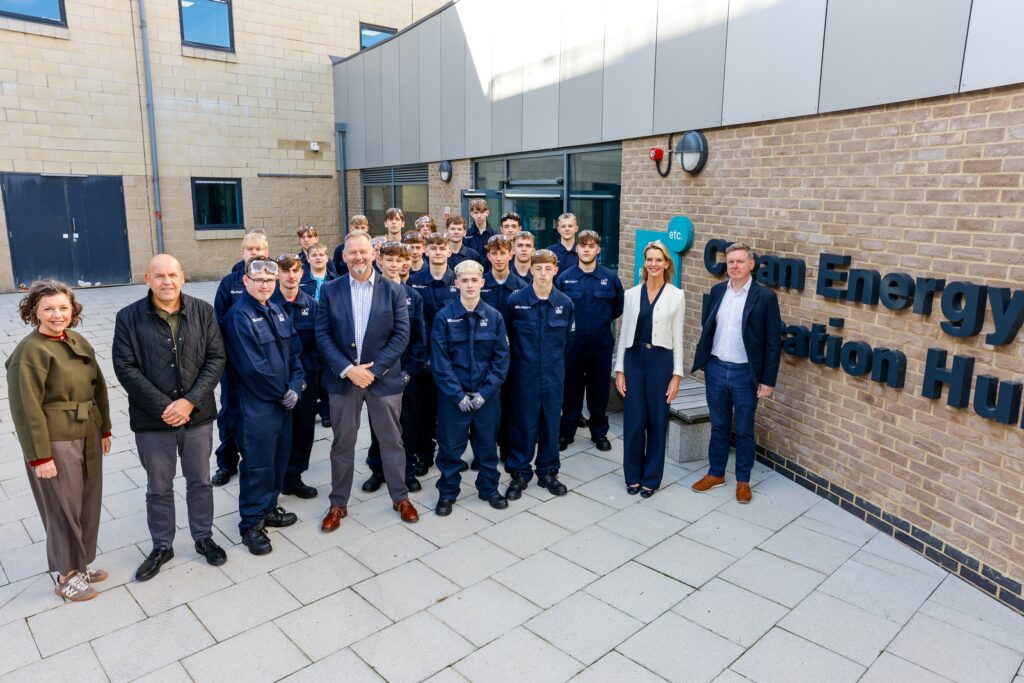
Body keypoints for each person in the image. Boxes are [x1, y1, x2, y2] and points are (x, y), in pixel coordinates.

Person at [113, 255, 228, 582]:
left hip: (198, 417)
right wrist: (166, 406)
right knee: (158, 486)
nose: (167, 281)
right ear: (147, 278)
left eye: (173, 275)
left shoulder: (203, 311)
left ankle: (203, 536)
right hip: (153, 421)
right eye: (159, 276)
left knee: (200, 481)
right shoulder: (129, 318)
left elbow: (216, 358)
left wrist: (190, 401)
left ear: (183, 277)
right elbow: (125, 368)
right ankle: (162, 545)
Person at [7, 280, 112, 602]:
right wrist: (40, 457)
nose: (57, 314)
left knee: (87, 502)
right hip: (56, 440)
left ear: (73, 309)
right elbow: (26, 408)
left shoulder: (76, 339)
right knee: (62, 507)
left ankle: (80, 563)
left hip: (87, 432)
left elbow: (99, 387)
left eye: (63, 307)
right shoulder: (30, 351)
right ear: (34, 311)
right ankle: (66, 574)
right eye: (48, 308)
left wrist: (104, 428)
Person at [316, 232, 420, 530]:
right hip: (344, 381)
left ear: (373, 255)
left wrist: (373, 371)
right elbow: (322, 335)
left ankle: (400, 497)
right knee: (342, 443)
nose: (358, 258)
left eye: (363, 252)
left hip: (383, 380)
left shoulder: (394, 290)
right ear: (344, 256)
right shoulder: (331, 290)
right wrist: (348, 370)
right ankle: (338, 503)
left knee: (392, 441)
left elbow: (401, 335)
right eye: (352, 253)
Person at [690, 243, 782, 504]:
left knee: (743, 429)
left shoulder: (764, 297)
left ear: (751, 264)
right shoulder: (718, 291)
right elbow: (708, 328)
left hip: (745, 375)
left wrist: (767, 380)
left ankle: (743, 480)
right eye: (730, 261)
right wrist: (706, 363)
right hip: (717, 369)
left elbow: (773, 343)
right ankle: (715, 473)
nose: (734, 266)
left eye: (740, 261)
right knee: (718, 425)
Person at [224, 257, 304, 554]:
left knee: (278, 461)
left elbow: (296, 352)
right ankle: (251, 524)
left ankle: (269, 508)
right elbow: (252, 367)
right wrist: (283, 391)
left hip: (283, 403)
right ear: (246, 281)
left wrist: (296, 386)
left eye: (270, 281)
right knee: (258, 466)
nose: (264, 285)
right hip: (257, 407)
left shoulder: (278, 310)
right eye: (258, 280)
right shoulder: (239, 316)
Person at [431, 260, 510, 515]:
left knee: (487, 447)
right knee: (450, 449)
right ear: (456, 284)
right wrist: (458, 396)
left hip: (486, 398)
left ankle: (488, 488)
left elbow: (501, 360)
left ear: (482, 283)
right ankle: (447, 493)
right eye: (464, 280)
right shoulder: (444, 317)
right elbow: (440, 362)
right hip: (453, 399)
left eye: (474, 280)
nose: (469, 285)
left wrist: (484, 394)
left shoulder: (495, 318)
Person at [614, 242, 684, 498]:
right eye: (649, 260)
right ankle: (632, 476)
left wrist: (677, 376)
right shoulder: (631, 294)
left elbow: (678, 337)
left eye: (659, 260)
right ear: (644, 263)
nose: (653, 264)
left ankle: (651, 478)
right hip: (633, 359)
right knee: (633, 421)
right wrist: (619, 369)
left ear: (667, 264)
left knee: (656, 421)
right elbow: (623, 335)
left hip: (661, 361)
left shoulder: (677, 295)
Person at [505, 250, 574, 500]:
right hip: (523, 375)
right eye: (538, 268)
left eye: (548, 268)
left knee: (551, 423)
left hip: (553, 375)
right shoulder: (515, 301)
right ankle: (520, 473)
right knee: (523, 423)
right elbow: (508, 340)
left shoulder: (565, 304)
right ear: (531, 270)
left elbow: (568, 340)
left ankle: (548, 471)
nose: (543, 273)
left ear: (555, 270)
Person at [362, 242, 427, 494]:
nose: (393, 265)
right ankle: (378, 470)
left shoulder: (414, 297)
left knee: (408, 425)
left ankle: (406, 471)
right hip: (377, 374)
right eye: (388, 260)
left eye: (399, 261)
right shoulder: (369, 294)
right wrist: (375, 369)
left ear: (405, 264)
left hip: (405, 375)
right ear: (379, 261)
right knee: (379, 425)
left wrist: (408, 372)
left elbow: (420, 340)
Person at [212, 230, 269, 487]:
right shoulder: (229, 283)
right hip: (234, 364)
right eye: (250, 249)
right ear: (242, 253)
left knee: (258, 415)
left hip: (262, 365)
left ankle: (256, 462)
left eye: (259, 250)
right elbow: (218, 323)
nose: (255, 253)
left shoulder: (270, 281)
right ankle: (226, 463)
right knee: (230, 413)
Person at [558, 230, 624, 452]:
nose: (586, 249)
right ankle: (566, 432)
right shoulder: (564, 277)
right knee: (570, 390)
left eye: (591, 245)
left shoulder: (610, 278)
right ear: (576, 248)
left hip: (600, 345)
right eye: (582, 245)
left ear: (598, 249)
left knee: (599, 390)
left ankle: (599, 433)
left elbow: (617, 308)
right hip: (572, 345)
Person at [407, 232, 458, 476]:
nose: (438, 252)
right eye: (433, 248)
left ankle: (450, 455)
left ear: (450, 251)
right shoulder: (414, 281)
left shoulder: (458, 281)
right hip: (423, 359)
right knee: (424, 411)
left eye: (442, 248)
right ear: (426, 251)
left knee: (449, 411)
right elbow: (412, 323)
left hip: (452, 359)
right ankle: (424, 455)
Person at [272, 254, 321, 499]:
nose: (291, 275)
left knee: (303, 430)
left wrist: (300, 381)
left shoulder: (312, 306)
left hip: (304, 382)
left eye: (295, 270)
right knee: (276, 433)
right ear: (277, 274)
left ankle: (294, 478)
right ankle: (274, 482)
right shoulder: (267, 303)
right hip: (273, 382)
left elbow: (318, 348)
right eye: (285, 270)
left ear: (303, 273)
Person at [480, 235, 525, 464]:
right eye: (494, 253)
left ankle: (507, 448)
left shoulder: (521, 288)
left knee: (510, 406)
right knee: (487, 409)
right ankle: (484, 452)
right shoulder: (479, 284)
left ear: (511, 254)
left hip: (512, 359)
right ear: (488, 256)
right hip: (483, 359)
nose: (499, 258)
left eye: (503, 253)